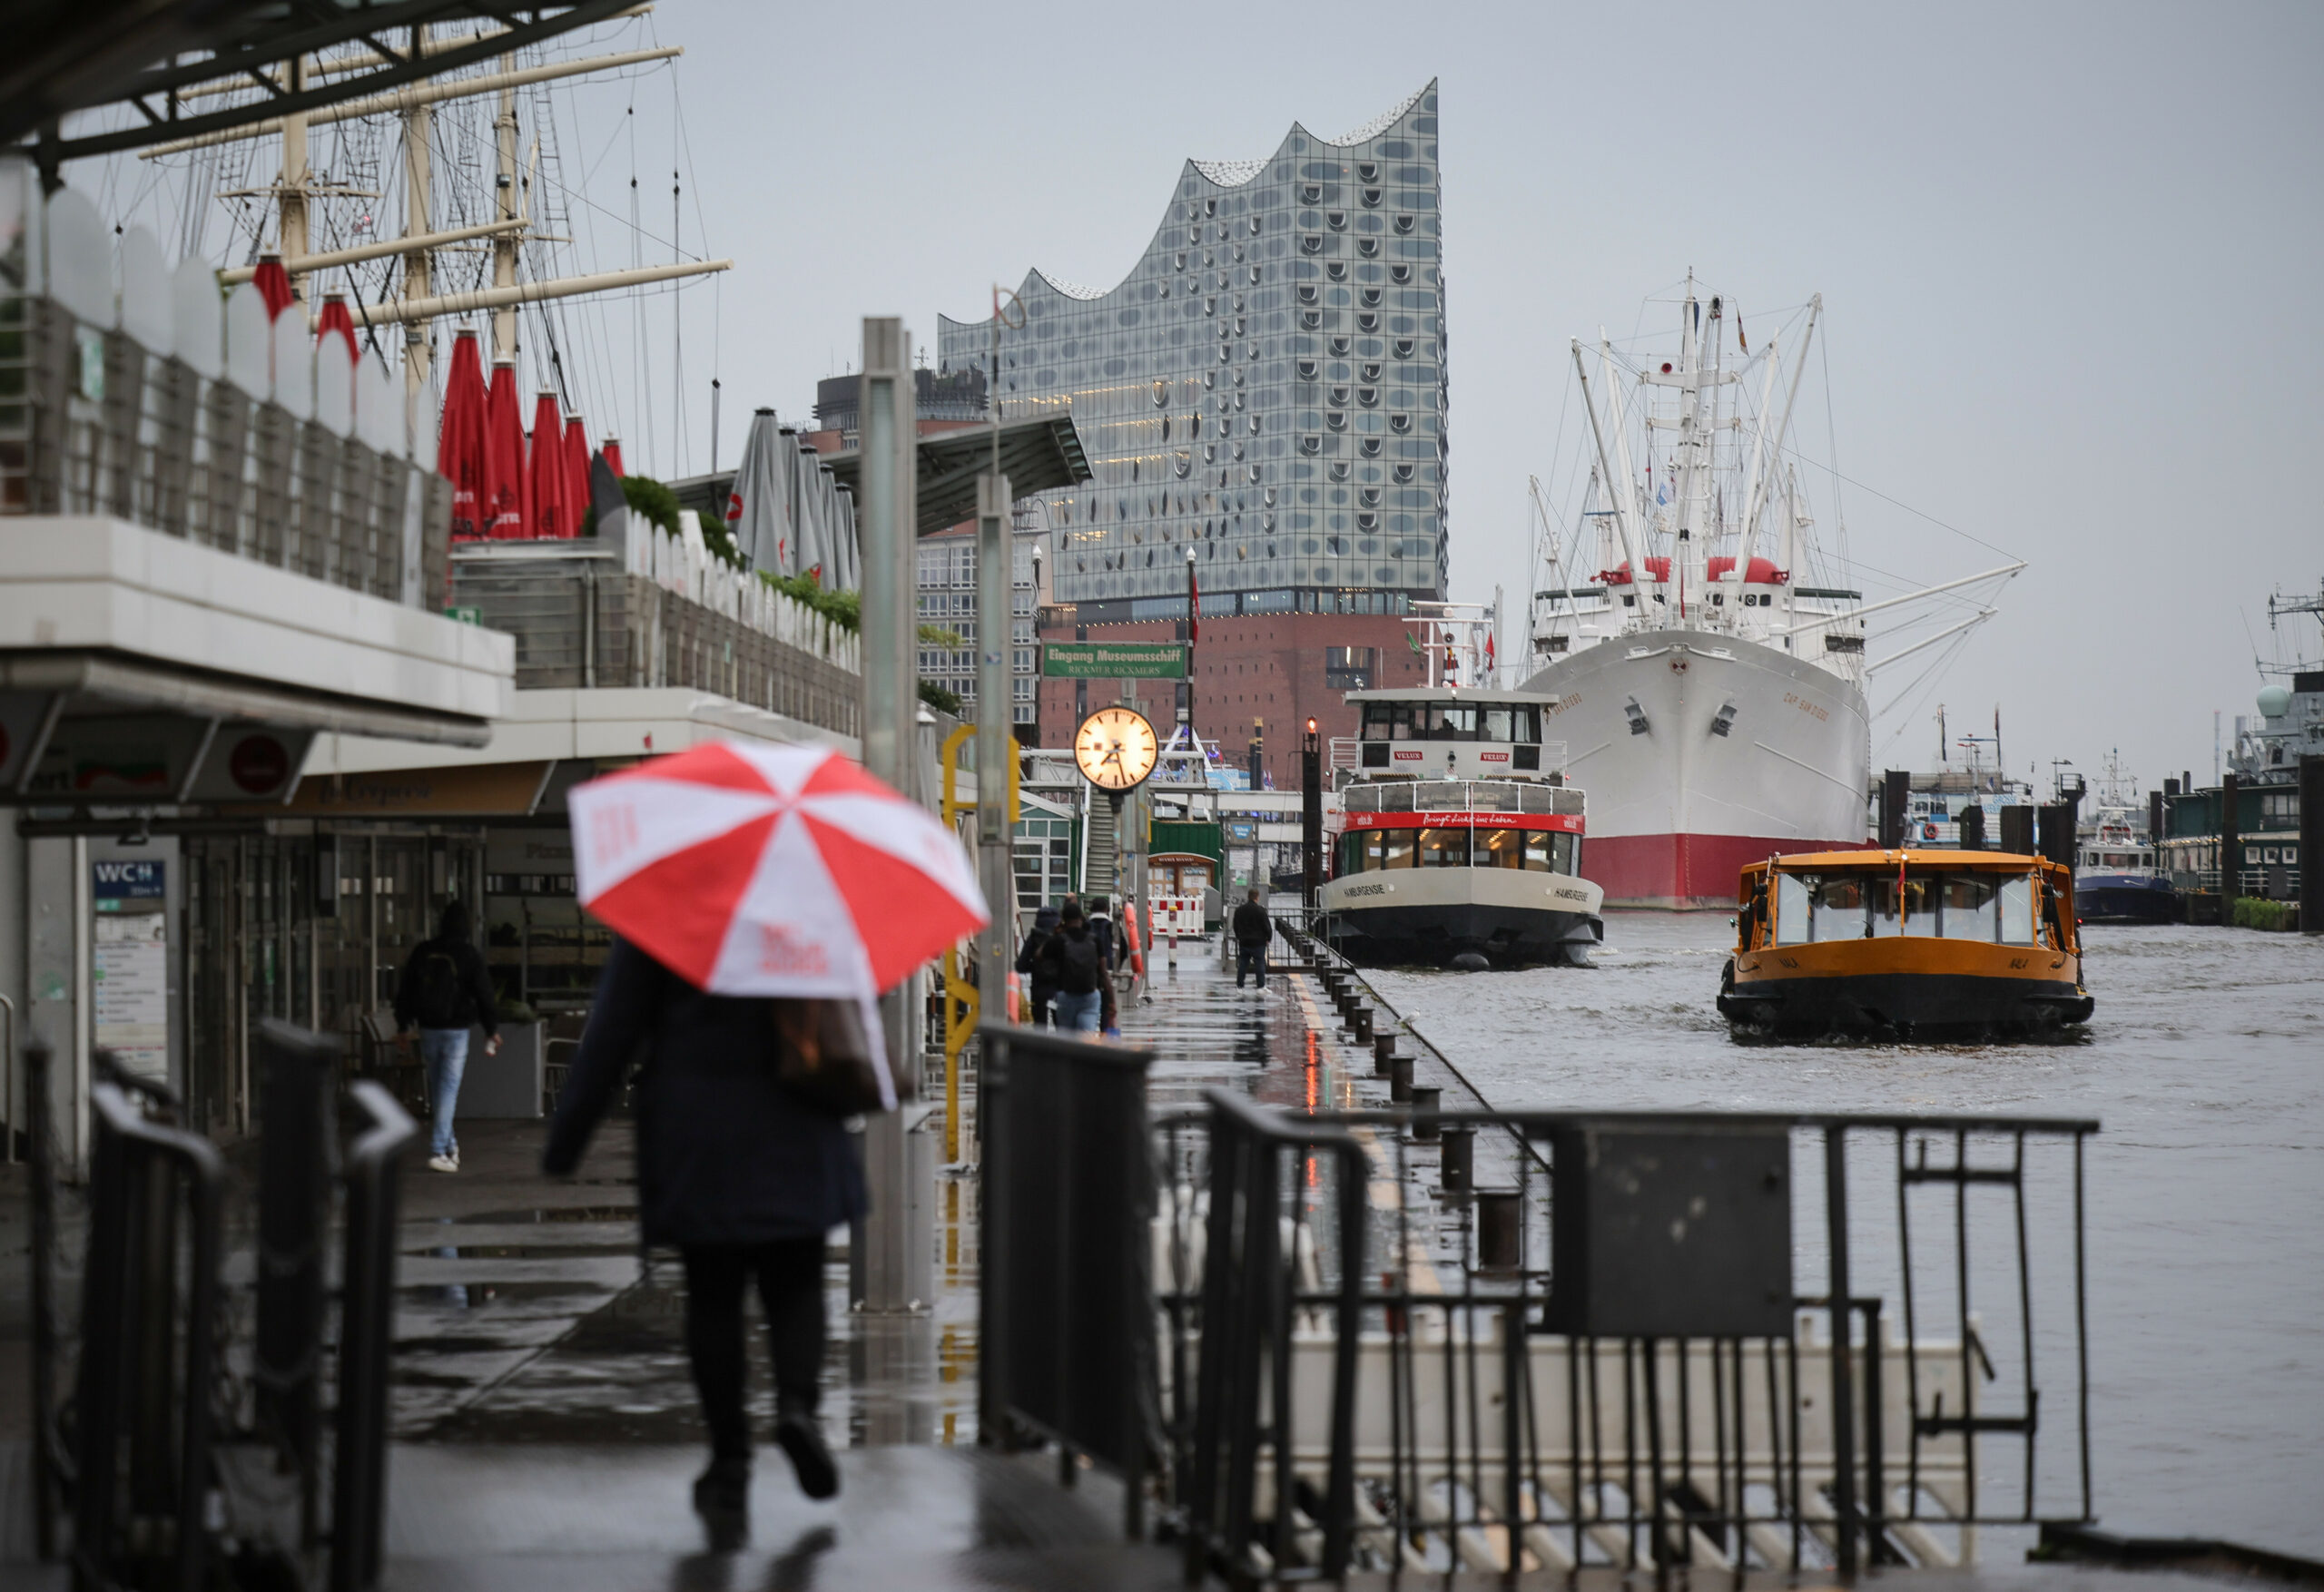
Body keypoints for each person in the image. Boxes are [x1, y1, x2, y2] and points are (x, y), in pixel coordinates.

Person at [544, 936, 863, 1541]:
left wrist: (567, 1140)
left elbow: (613, 1029)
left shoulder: (669, 914)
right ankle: (797, 1408)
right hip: (797, 1119)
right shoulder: (802, 909)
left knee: (713, 1297)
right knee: (797, 1285)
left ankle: (729, 1460)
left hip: (698, 1129)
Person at [393, 901, 500, 1173]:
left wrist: (403, 1026)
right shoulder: (468, 954)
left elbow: (405, 990)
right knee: (448, 1089)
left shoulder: (424, 951)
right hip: (456, 1030)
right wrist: (491, 1028)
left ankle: (450, 1145)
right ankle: (439, 1150)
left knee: (440, 1087)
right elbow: (484, 994)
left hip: (427, 1028)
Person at [1035, 899, 1105, 1033]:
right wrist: (1111, 1001)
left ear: (1063, 920)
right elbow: (1103, 972)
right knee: (1086, 1036)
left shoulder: (1059, 940)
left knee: (1066, 1037)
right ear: (1081, 918)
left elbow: (1039, 955)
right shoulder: (1094, 940)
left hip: (1066, 995)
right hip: (1090, 994)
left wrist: (1054, 934)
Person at [1014, 903, 1061, 1027]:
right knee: (1062, 1028)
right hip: (1059, 990)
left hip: (1039, 990)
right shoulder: (1061, 938)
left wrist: (1035, 967)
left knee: (1040, 1027)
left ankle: (1041, 1046)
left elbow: (1020, 966)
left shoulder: (1033, 938)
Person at [1087, 895, 1122, 1037]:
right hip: (1107, 973)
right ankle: (1105, 1038)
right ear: (1107, 909)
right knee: (1106, 1010)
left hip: (1087, 974)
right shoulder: (1112, 927)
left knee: (1088, 1010)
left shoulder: (1085, 926)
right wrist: (1116, 965)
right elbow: (1123, 948)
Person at [1233, 887, 1275, 989]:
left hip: (1244, 941)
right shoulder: (1260, 910)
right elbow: (1267, 926)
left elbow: (1235, 925)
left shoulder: (1239, 910)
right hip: (1258, 942)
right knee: (1259, 964)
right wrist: (1268, 938)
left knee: (1243, 964)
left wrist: (1239, 936)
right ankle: (1260, 986)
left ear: (1248, 897)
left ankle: (1240, 986)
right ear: (1257, 897)